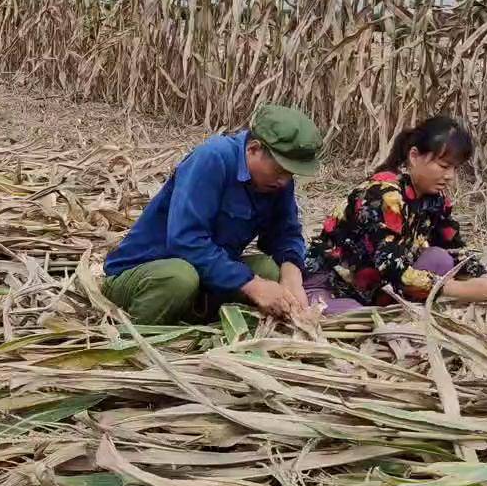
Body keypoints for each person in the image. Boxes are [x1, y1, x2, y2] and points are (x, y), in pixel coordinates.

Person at [102, 104, 323, 324]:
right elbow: (186, 241)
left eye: (291, 174)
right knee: (179, 277)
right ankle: (142, 336)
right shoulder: (213, 159)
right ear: (253, 149)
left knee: (269, 270)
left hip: (203, 278)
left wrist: (291, 274)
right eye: (280, 170)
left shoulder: (277, 183)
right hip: (146, 275)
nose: (284, 180)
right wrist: (252, 285)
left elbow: (285, 233)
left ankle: (198, 319)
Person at [304, 113, 487, 314]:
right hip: (336, 283)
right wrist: (460, 290)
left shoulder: (435, 199)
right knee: (358, 319)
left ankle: (391, 308)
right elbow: (390, 265)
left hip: (376, 286)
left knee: (440, 258)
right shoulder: (382, 195)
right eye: (444, 165)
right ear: (415, 156)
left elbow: (452, 246)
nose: (450, 177)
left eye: (455, 168)